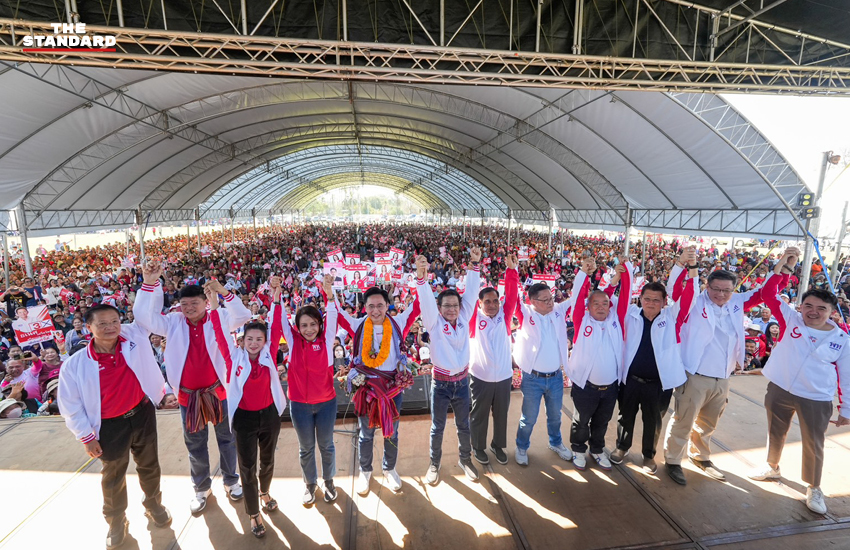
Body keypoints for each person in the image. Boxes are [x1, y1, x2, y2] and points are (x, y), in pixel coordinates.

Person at [134, 261, 251, 515]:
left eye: (194, 304)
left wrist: (224, 292)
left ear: (205, 303)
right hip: (188, 397)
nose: (188, 309)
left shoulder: (218, 319)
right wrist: (149, 283)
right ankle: (201, 488)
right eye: (184, 305)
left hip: (219, 392)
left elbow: (243, 316)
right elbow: (143, 317)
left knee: (227, 439)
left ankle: (231, 481)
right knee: (195, 444)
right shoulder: (174, 322)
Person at [662, 249, 782, 485]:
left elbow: (765, 293)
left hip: (724, 376)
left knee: (708, 422)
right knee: (684, 421)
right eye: (715, 289)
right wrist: (681, 264)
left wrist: (782, 268)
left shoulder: (737, 302)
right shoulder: (695, 300)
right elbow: (673, 291)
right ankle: (673, 460)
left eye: (726, 290)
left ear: (733, 290)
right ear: (707, 286)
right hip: (695, 374)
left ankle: (700, 457)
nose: (720, 294)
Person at [57, 305, 171, 550]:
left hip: (142, 414)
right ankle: (116, 521)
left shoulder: (133, 341)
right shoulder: (75, 364)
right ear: (88, 328)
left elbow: (145, 310)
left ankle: (153, 504)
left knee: (149, 465)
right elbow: (70, 404)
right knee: (113, 476)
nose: (110, 328)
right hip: (108, 426)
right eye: (102, 324)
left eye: (115, 321)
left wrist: (150, 278)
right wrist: (86, 437)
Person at [748, 248, 850, 515]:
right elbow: (768, 294)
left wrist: (846, 408)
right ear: (801, 306)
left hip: (816, 396)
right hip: (780, 388)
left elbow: (848, 376)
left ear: (832, 312)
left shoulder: (842, 340)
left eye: (821, 309)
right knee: (775, 431)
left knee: (813, 442)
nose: (813, 312)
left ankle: (814, 487)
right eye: (808, 306)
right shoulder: (790, 318)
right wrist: (786, 265)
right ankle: (772, 467)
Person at [209, 280, 287, 539]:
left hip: (269, 416)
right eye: (249, 339)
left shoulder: (269, 352)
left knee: (267, 461)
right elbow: (219, 331)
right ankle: (254, 512)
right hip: (243, 419)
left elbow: (276, 326)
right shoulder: (234, 358)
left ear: (265, 341)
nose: (254, 343)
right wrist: (214, 302)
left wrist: (276, 296)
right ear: (242, 341)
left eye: (259, 339)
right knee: (247, 466)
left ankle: (265, 492)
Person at [610, 248, 698, 474]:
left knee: (654, 422)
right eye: (647, 299)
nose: (650, 303)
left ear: (664, 301)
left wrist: (689, 268)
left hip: (658, 384)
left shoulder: (673, 317)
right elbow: (611, 295)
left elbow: (689, 296)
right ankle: (622, 448)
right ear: (640, 299)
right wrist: (620, 276)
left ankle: (649, 456)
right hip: (630, 380)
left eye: (656, 300)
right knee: (625, 417)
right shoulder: (629, 314)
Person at [338, 275, 419, 496]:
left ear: (387, 306)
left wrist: (421, 277)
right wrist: (328, 294)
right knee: (366, 433)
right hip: (367, 388)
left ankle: (389, 468)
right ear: (365, 307)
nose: (376, 310)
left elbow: (418, 305)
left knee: (392, 432)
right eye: (371, 306)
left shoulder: (398, 322)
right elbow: (336, 313)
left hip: (392, 388)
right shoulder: (357, 325)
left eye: (380, 306)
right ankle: (365, 471)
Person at [415, 247, 481, 484]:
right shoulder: (434, 323)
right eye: (447, 306)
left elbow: (472, 292)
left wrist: (474, 265)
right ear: (439, 308)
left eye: (455, 305)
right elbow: (425, 301)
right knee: (437, 427)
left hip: (463, 382)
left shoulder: (464, 317)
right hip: (441, 385)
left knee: (464, 425)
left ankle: (465, 459)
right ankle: (434, 463)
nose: (452, 310)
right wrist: (421, 278)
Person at [512, 259, 583, 466]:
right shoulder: (525, 314)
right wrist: (512, 270)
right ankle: (522, 447)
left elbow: (576, 295)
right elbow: (513, 298)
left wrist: (583, 274)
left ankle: (556, 443)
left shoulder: (558, 311)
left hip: (555, 377)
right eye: (545, 300)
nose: (551, 302)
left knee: (555, 417)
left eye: (551, 298)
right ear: (533, 302)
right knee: (529, 419)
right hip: (532, 379)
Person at [278, 275, 340, 506]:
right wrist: (276, 294)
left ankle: (330, 481)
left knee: (326, 445)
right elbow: (280, 320)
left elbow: (332, 314)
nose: (309, 329)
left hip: (326, 404)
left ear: (320, 325)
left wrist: (329, 292)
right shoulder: (292, 343)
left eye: (313, 324)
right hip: (300, 406)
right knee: (306, 448)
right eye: (304, 325)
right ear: (297, 327)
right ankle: (310, 484)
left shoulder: (326, 341)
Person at [567, 256, 631, 470]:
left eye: (605, 303)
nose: (602, 307)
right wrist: (584, 274)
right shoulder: (581, 320)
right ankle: (578, 449)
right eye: (596, 303)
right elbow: (577, 297)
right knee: (581, 422)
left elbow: (623, 296)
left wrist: (624, 273)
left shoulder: (616, 320)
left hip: (610, 388)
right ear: (588, 307)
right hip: (586, 386)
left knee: (602, 423)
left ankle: (596, 450)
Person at [469, 253, 519, 466]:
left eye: (495, 301)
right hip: (480, 377)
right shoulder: (472, 320)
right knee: (478, 416)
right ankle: (478, 447)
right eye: (486, 301)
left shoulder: (504, 318)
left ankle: (498, 445)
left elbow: (513, 295)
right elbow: (469, 294)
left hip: (504, 378)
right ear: (479, 304)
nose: (491, 304)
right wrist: (475, 266)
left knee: (501, 415)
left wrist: (511, 271)